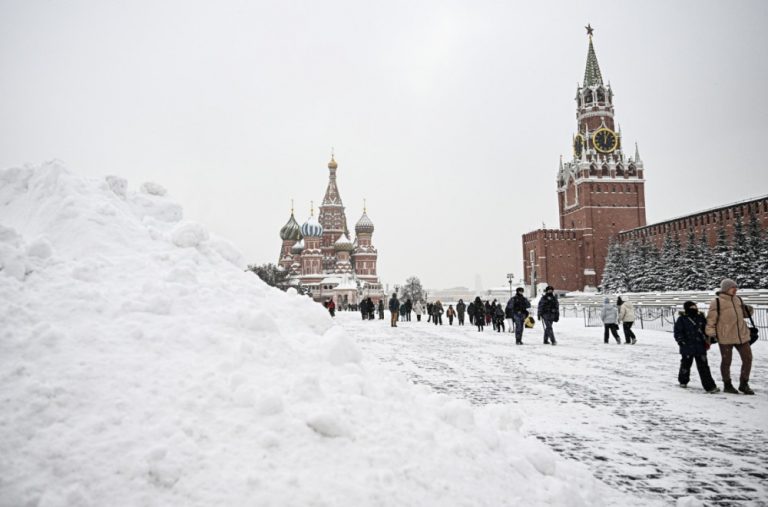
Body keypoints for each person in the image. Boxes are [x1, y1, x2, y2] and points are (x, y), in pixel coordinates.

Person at [705, 279, 755, 395]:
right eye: (733, 287)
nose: (735, 290)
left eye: (736, 287)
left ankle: (744, 384)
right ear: (726, 289)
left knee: (748, 359)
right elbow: (711, 320)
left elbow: (744, 315)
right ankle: (727, 384)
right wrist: (711, 334)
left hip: (742, 336)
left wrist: (749, 310)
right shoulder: (716, 302)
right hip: (725, 336)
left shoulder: (738, 299)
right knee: (727, 361)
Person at [674, 301, 719, 393]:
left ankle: (710, 386)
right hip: (687, 345)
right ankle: (683, 381)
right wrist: (680, 340)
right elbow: (678, 331)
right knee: (685, 365)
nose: (694, 308)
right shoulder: (682, 319)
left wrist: (711, 338)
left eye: (695, 306)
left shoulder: (701, 317)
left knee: (704, 367)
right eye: (692, 307)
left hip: (700, 346)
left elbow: (706, 330)